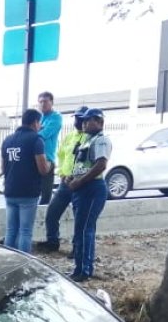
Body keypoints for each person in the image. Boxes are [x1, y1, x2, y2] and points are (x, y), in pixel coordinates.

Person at [66, 108, 111, 282]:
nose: (84, 123)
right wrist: (71, 177)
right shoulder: (86, 140)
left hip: (92, 188)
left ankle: (83, 270)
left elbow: (100, 165)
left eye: (88, 120)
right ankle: (81, 267)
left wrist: (80, 181)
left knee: (84, 230)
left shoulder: (101, 140)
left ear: (99, 122)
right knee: (81, 230)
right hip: (81, 188)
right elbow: (81, 164)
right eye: (83, 121)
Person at [35, 106, 88, 254]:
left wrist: (79, 178)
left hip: (81, 184)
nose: (78, 121)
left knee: (80, 220)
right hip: (65, 184)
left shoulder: (90, 138)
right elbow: (61, 156)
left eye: (81, 118)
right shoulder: (70, 136)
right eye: (76, 118)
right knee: (52, 213)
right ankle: (52, 241)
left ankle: (77, 249)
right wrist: (62, 174)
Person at [0, 109, 50, 252]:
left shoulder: (7, 140)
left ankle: (8, 262)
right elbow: (43, 169)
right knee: (25, 231)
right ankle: (22, 266)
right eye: (39, 122)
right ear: (35, 122)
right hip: (28, 193)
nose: (40, 126)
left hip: (10, 191)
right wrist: (50, 165)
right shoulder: (36, 139)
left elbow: (3, 169)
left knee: (10, 230)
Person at [36, 91, 62, 205]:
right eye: (40, 102)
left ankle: (42, 219)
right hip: (35, 157)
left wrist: (38, 129)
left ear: (51, 102)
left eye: (45, 101)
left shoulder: (56, 117)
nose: (42, 104)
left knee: (46, 195)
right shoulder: (39, 117)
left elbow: (44, 134)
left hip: (47, 159)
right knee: (33, 192)